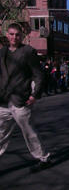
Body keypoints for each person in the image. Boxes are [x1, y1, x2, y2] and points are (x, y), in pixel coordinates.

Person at [0, 23, 51, 172]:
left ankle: (43, 158)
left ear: (21, 36)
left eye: (17, 34)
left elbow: (39, 75)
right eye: (11, 34)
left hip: (20, 101)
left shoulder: (28, 52)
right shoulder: (2, 52)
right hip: (3, 101)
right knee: (1, 133)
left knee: (29, 133)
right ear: (7, 35)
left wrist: (35, 95)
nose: (14, 37)